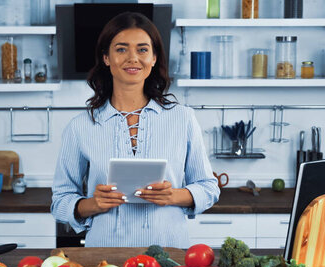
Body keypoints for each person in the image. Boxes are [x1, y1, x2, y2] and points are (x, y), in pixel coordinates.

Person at [51, 12, 220, 248]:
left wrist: (173, 196)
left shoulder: (183, 119)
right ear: (106, 58)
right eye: (121, 49)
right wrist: (93, 204)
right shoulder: (80, 127)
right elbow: (60, 200)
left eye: (142, 50)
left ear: (153, 58)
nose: (133, 58)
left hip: (169, 254)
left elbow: (208, 187)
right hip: (103, 257)